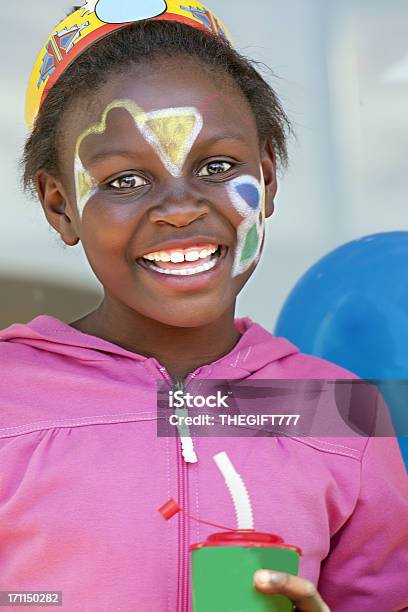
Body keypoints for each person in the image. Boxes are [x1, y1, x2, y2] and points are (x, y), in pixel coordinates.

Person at [1, 2, 407, 610]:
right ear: (61, 207)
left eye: (218, 166)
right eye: (125, 181)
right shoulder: (12, 396)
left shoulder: (338, 411)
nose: (181, 207)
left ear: (266, 177)